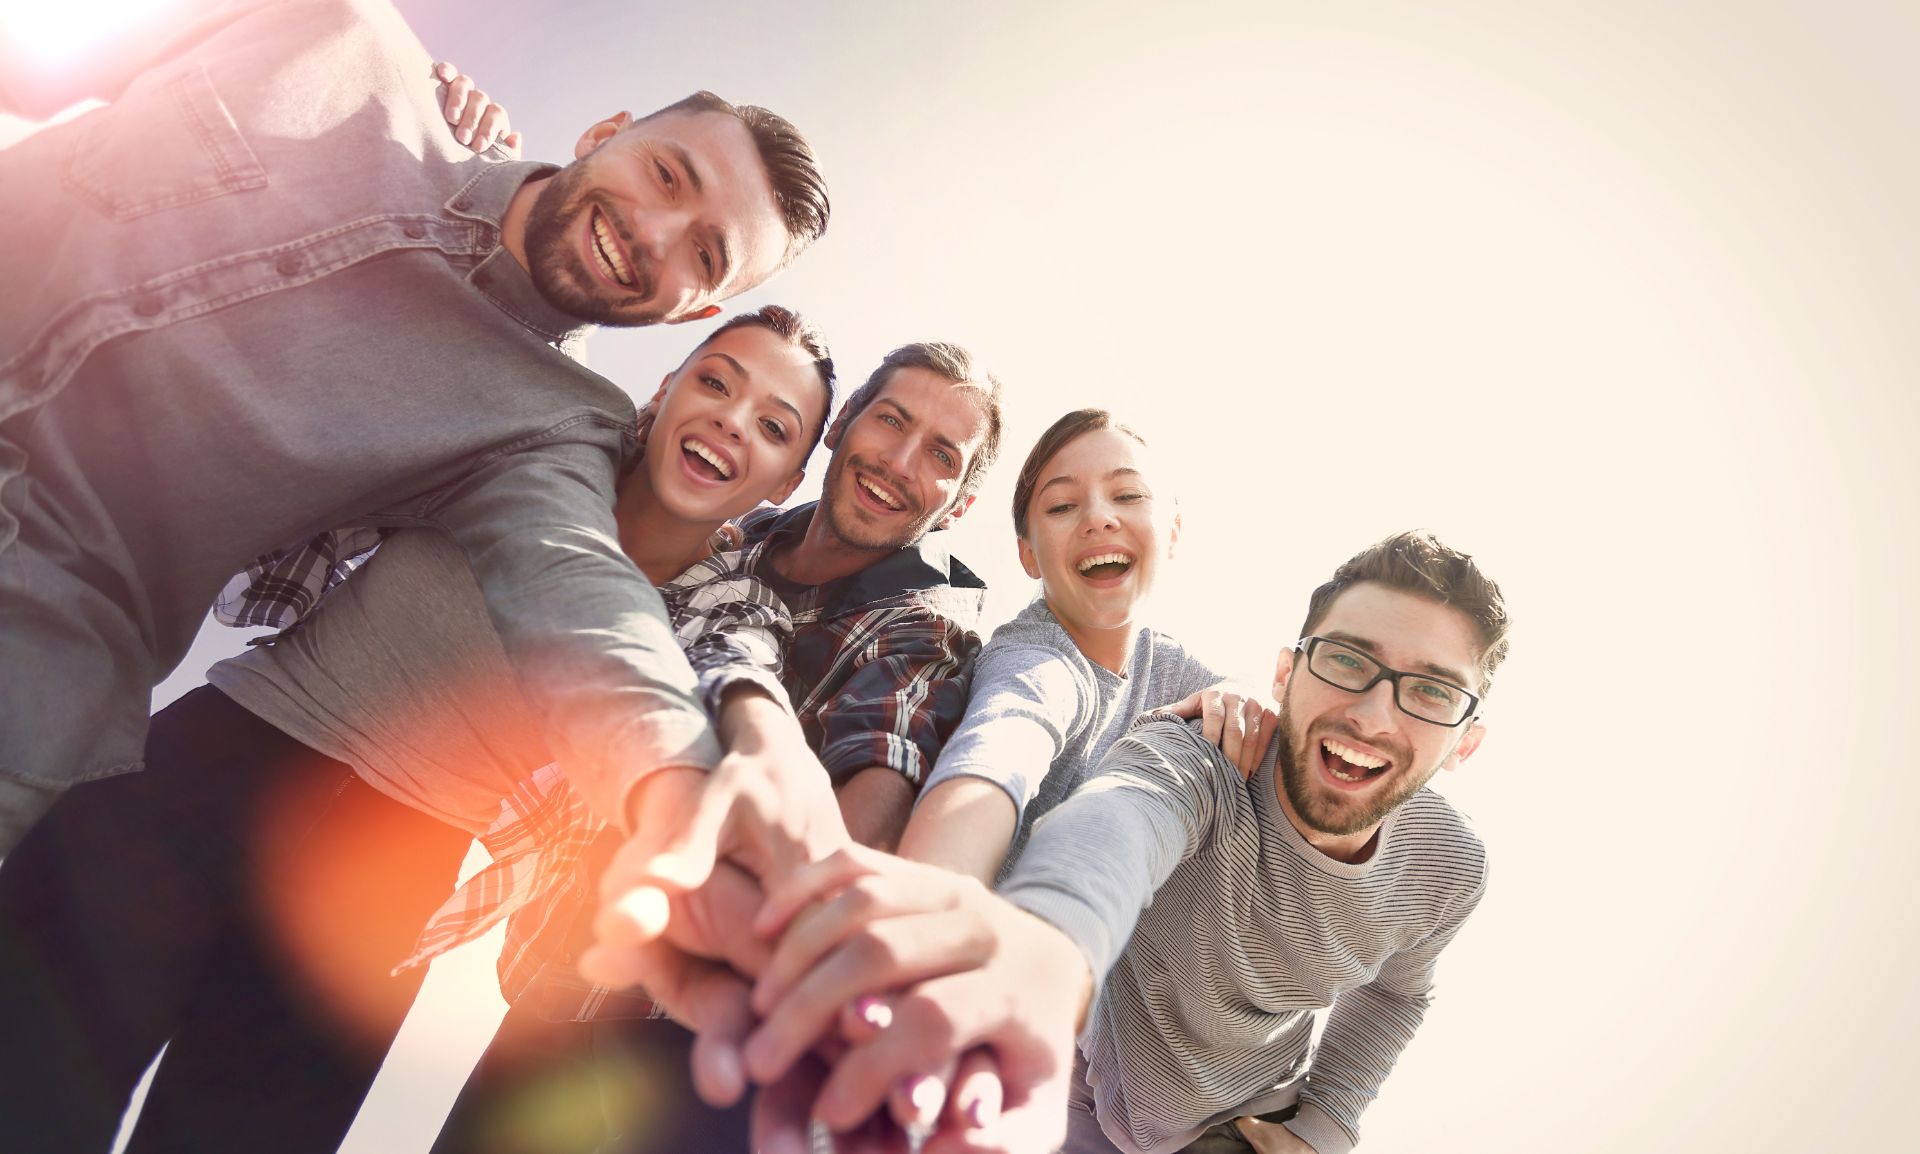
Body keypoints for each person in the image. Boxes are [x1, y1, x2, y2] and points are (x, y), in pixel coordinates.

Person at [0, 0, 831, 867]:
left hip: (39, 641)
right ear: (605, 132)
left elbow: (585, 591)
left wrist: (678, 782)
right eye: (666, 175)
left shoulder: (544, 426)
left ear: (693, 310)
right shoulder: (339, 33)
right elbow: (36, 63)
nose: (651, 235)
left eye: (704, 253)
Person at [0, 304, 838, 1154]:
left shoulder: (729, 607)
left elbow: (740, 672)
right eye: (715, 381)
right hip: (212, 769)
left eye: (773, 425)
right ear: (666, 388)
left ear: (783, 484)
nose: (731, 420)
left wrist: (769, 749)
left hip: (385, 887)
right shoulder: (538, 435)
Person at [747, 530, 1510, 1154]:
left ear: (1466, 744)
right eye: (1347, 660)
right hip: (1086, 1091)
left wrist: (1328, 1125)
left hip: (1239, 1127)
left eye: (1431, 691)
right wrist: (1041, 955)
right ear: (1287, 673)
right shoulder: (1207, 753)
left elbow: (1400, 991)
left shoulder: (1449, 868)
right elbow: (1117, 824)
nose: (1374, 715)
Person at [437, 340, 1007, 1154]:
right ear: (842, 425)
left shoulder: (924, 630)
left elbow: (867, 812)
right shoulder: (727, 541)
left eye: (942, 455)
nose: (901, 461)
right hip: (550, 996)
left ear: (957, 505)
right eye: (892, 421)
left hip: (696, 1051)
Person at [901, 408, 1269, 884]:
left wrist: (1246, 687)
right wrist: (934, 879)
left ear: (1173, 531)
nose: (1098, 518)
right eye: (1061, 506)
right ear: (1028, 554)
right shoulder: (1030, 658)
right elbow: (1001, 742)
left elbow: (1269, 704)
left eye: (1128, 495)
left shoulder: (1169, 666)